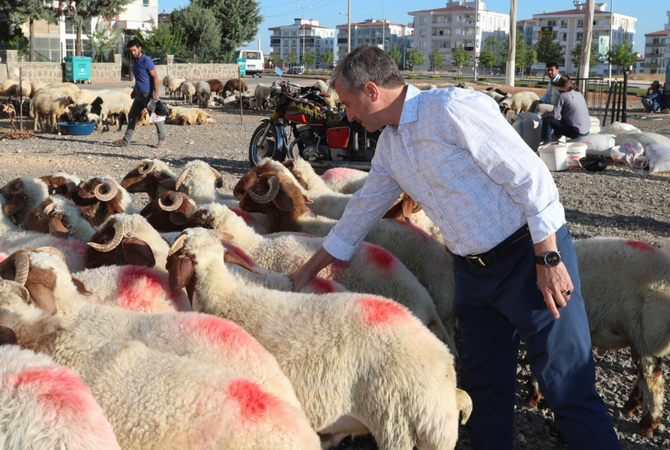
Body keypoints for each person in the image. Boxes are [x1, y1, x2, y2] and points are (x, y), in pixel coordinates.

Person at [289, 44, 620, 450]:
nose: (349, 115)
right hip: (473, 274)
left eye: (350, 103)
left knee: (566, 383)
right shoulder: (391, 147)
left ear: (372, 90)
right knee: (483, 390)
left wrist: (548, 256)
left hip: (528, 257)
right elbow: (360, 211)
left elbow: (531, 177)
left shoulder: (451, 109)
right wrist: (309, 268)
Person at [112, 39, 166, 148]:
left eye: (134, 50)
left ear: (139, 48)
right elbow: (139, 78)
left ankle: (162, 140)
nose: (133, 53)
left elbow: (154, 77)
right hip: (139, 95)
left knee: (154, 116)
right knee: (131, 116)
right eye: (130, 51)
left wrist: (156, 93)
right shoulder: (134, 61)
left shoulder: (147, 60)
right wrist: (134, 90)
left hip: (148, 94)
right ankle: (126, 140)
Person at [540, 75, 590, 144]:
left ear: (560, 89)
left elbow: (553, 115)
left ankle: (546, 144)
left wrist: (545, 115)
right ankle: (556, 138)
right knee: (561, 120)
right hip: (586, 130)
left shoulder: (562, 96)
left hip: (576, 132)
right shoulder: (579, 95)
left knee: (548, 120)